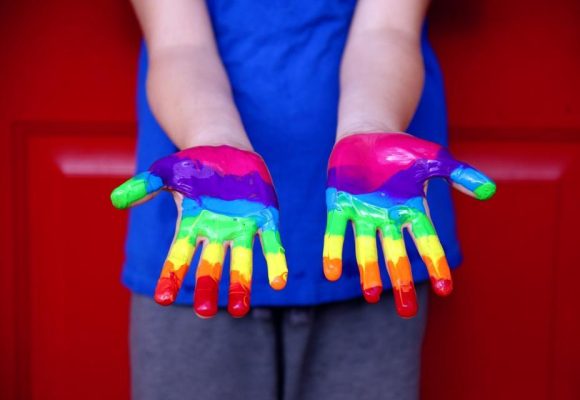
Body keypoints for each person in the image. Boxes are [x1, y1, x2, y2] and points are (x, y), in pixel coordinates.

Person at [113, 0, 494, 399]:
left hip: (374, 229)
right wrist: (213, 143)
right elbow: (178, 45)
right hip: (202, 238)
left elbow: (388, 30)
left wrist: (369, 130)